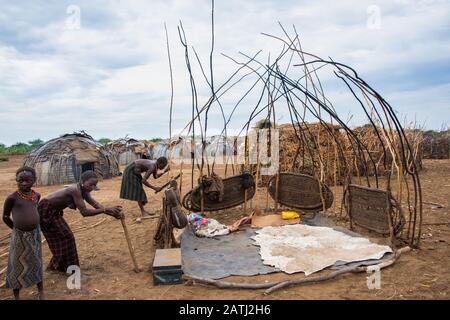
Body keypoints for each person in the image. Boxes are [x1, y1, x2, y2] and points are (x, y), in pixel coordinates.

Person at [38, 170, 122, 272]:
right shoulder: (75, 190)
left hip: (54, 211)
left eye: (95, 185)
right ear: (82, 181)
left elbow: (96, 205)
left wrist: (113, 213)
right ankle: (57, 266)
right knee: (62, 237)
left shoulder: (84, 190)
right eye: (90, 184)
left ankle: (60, 266)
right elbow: (84, 212)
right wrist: (105, 210)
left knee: (66, 237)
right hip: (45, 210)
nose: (92, 187)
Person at [2, 167, 44, 300]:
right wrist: (16, 229)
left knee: (36, 262)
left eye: (28, 180)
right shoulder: (12, 198)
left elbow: (34, 210)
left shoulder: (36, 195)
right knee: (17, 265)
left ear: (34, 180)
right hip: (19, 235)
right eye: (21, 181)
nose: (24, 183)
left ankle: (41, 292)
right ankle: (17, 296)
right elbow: (5, 217)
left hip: (35, 234)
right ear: (16, 181)